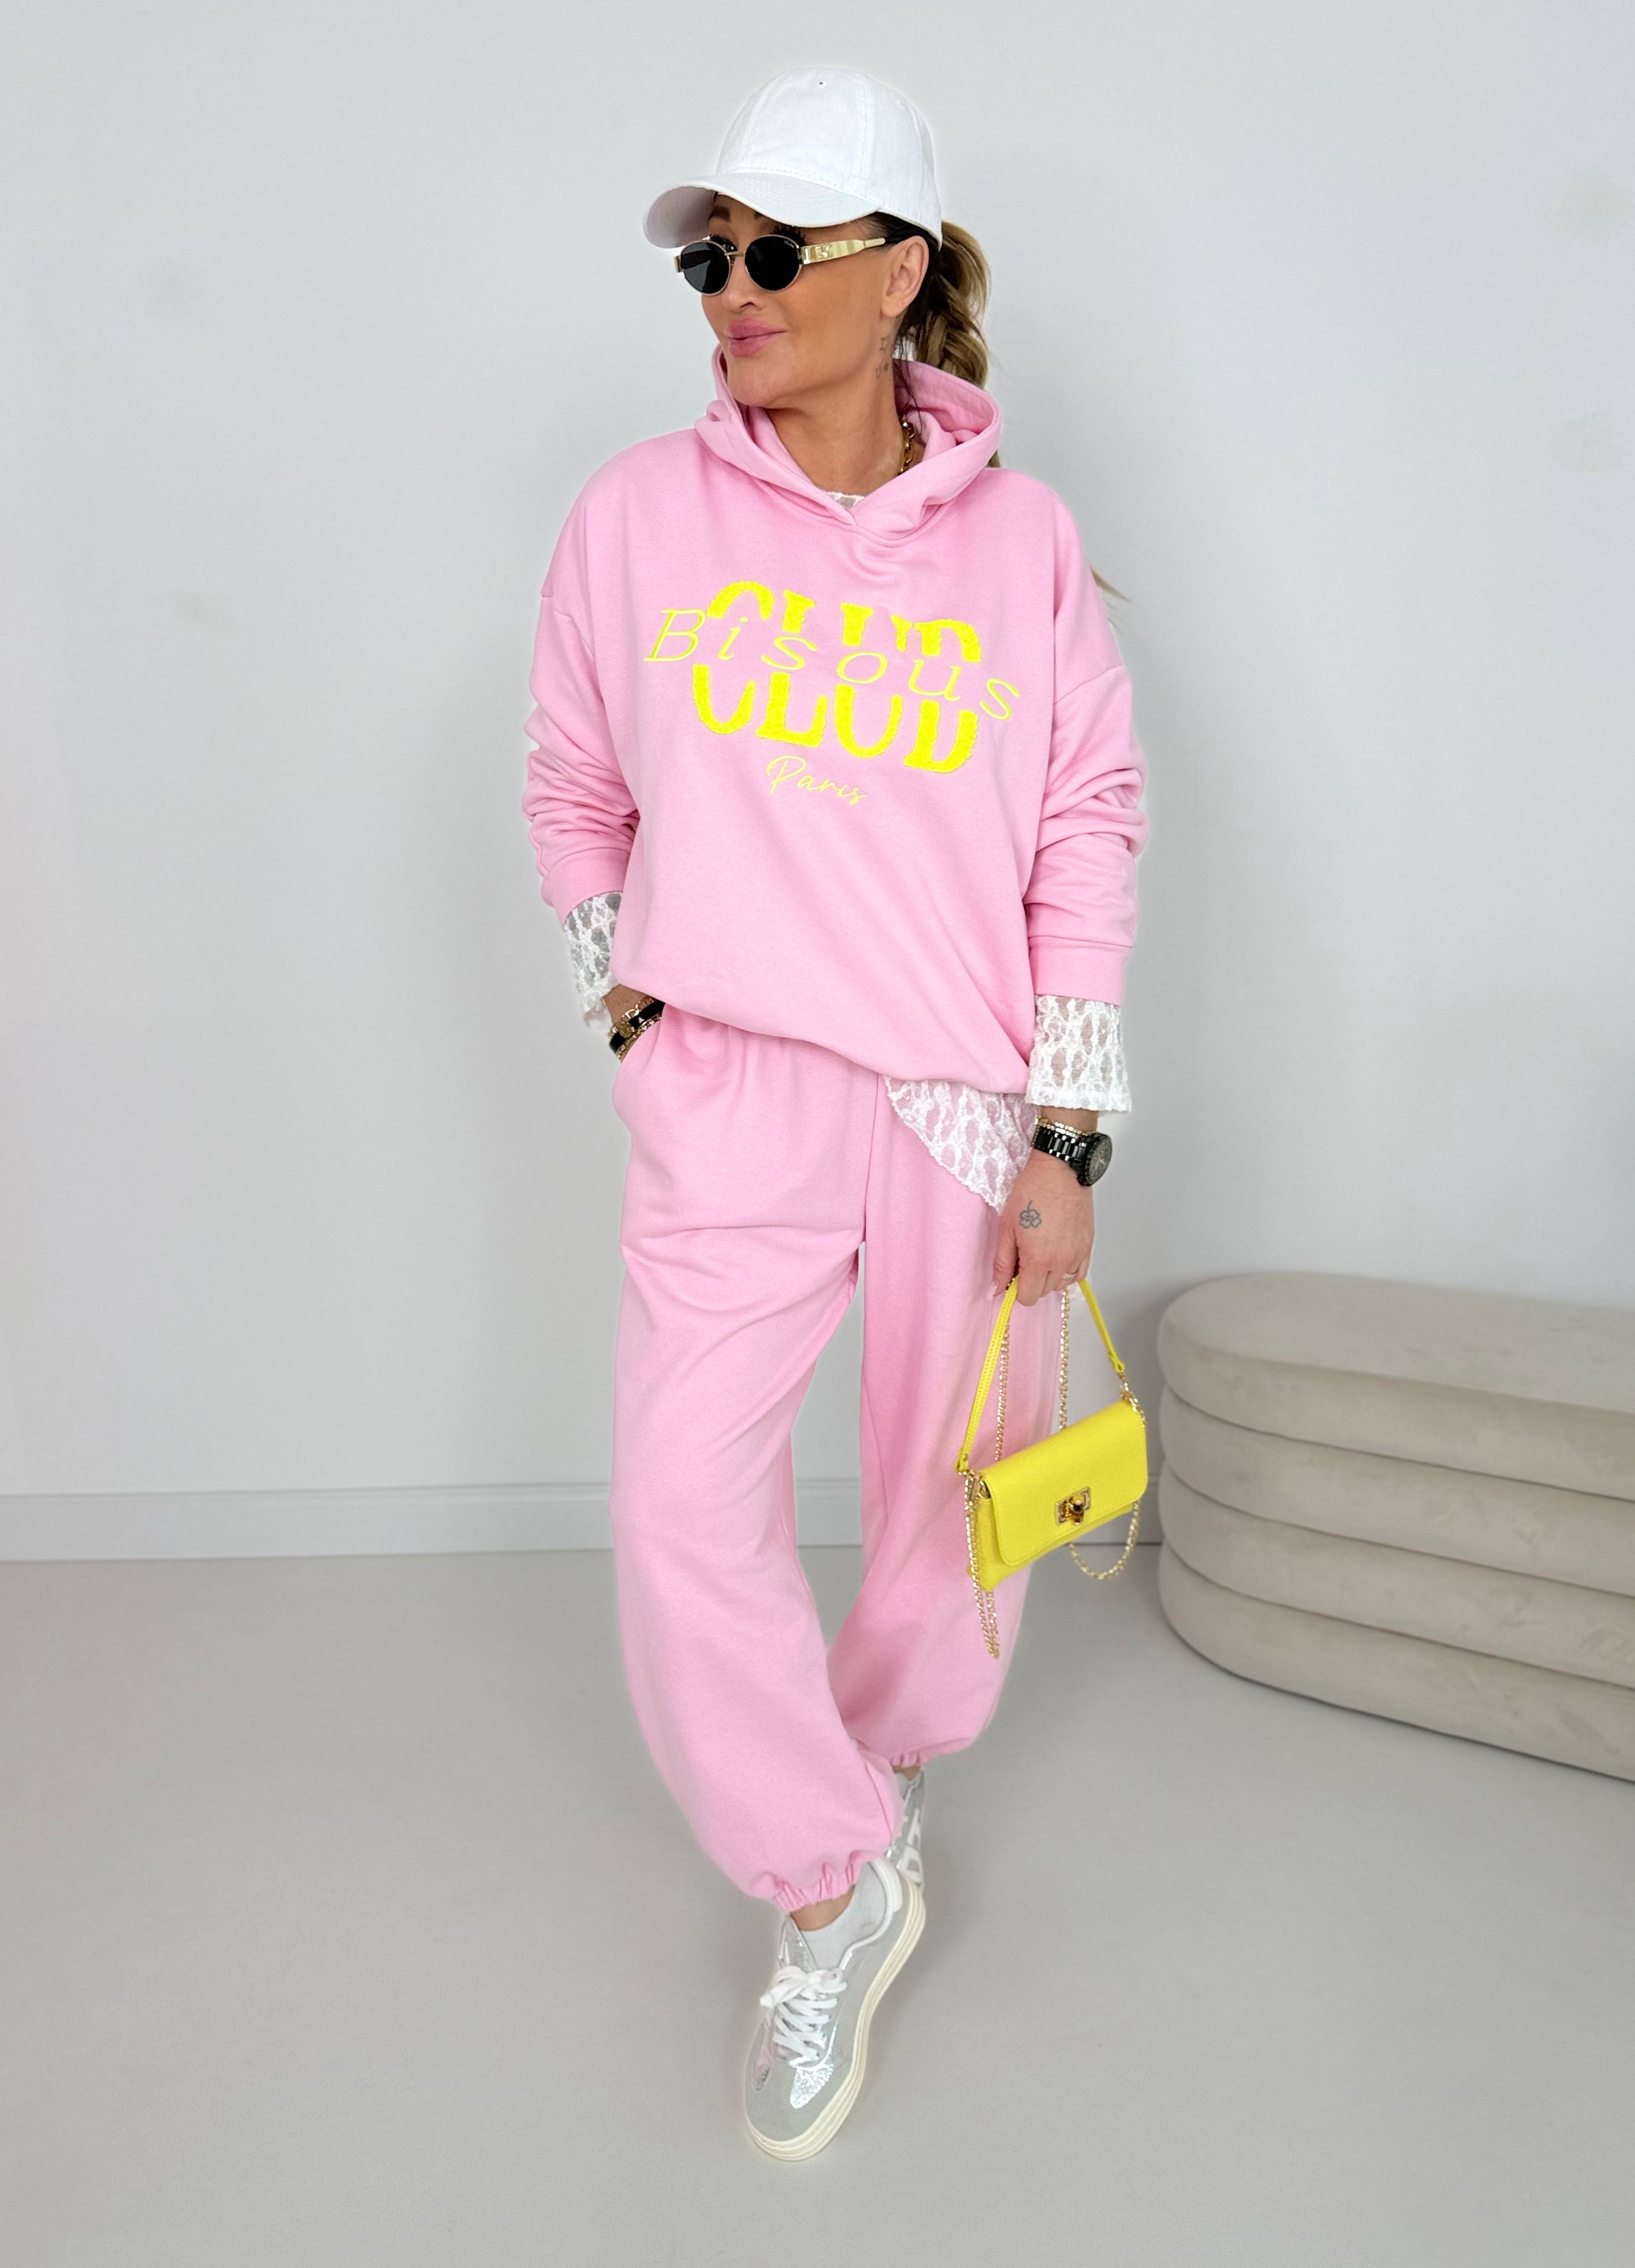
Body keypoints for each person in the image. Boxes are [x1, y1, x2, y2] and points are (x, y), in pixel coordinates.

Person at [522, 65, 1148, 2159]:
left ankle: (878, 1783)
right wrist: (630, 1002)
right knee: (678, 1507)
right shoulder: (636, 517)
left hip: (963, 1109)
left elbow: (1085, 827)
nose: (736, 291)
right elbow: (569, 782)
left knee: (945, 1513)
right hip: (735, 1090)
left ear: (900, 275)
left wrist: (1069, 1129)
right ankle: (829, 1882)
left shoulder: (1025, 544)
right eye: (712, 258)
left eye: (778, 251)